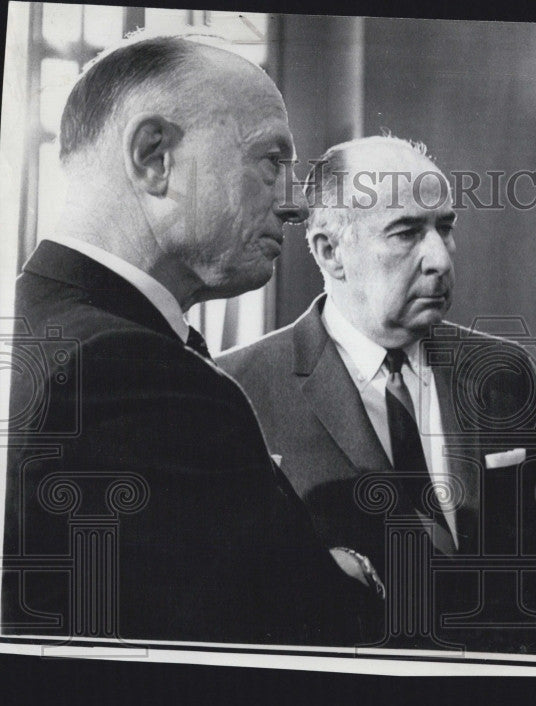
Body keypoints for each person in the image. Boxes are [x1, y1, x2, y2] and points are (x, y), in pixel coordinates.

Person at [2, 35, 373, 646]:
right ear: (155, 157)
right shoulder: (132, 371)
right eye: (270, 161)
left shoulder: (41, 315)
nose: (294, 203)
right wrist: (354, 577)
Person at [219, 136, 536, 654]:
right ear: (330, 251)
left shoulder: (502, 373)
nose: (440, 258)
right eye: (406, 232)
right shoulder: (240, 387)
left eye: (445, 228)